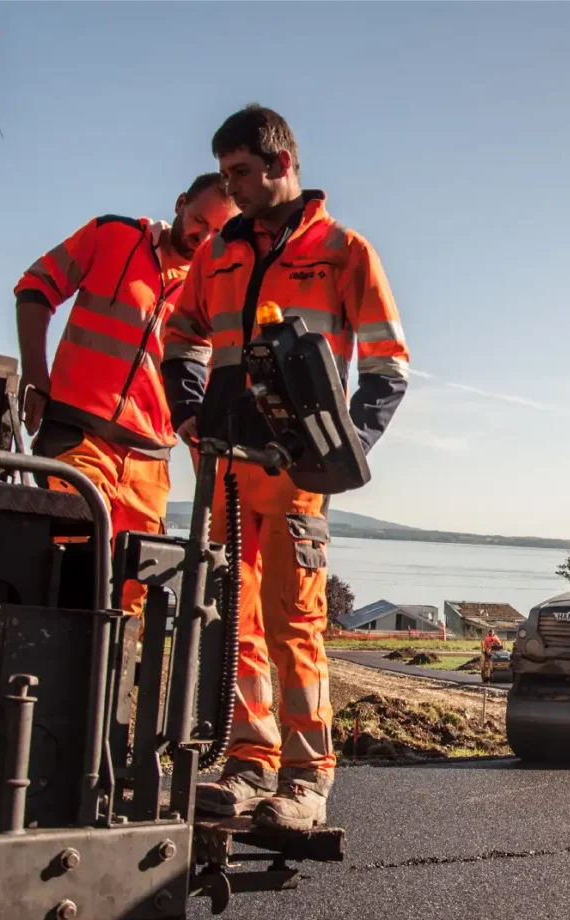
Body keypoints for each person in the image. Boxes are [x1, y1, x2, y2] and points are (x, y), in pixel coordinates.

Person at [163, 105, 410, 831]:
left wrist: (339, 453)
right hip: (224, 474)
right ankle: (247, 761)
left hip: (297, 476)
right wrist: (189, 415)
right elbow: (182, 336)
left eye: (241, 172)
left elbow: (388, 367)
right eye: (228, 174)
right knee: (231, 622)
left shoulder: (343, 250)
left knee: (293, 620)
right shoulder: (218, 254)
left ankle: (305, 780)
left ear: (281, 164)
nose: (230, 188)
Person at [14, 174, 236, 616]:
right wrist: (36, 378)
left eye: (217, 233)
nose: (204, 237)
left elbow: (205, 390)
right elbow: (35, 288)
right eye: (198, 221)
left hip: (149, 461)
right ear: (179, 203)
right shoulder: (112, 235)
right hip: (78, 436)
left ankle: (117, 684)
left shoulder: (212, 293)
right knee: (76, 554)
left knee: (133, 591)